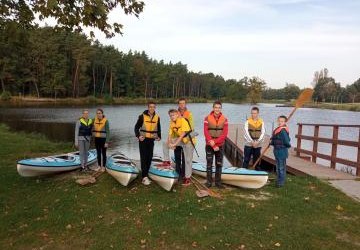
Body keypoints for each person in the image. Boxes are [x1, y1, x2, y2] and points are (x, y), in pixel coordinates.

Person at [163, 109, 195, 186]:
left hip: (188, 141)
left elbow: (182, 135)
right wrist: (170, 143)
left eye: (173, 115)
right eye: (170, 115)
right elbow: (170, 134)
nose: (172, 117)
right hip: (181, 141)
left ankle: (187, 178)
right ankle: (167, 161)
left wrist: (174, 144)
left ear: (177, 114)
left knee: (188, 160)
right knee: (165, 143)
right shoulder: (172, 122)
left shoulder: (183, 120)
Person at [134, 101, 161, 185]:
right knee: (144, 157)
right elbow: (136, 127)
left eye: (153, 107)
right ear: (148, 107)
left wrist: (159, 136)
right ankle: (144, 177)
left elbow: (159, 128)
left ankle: (146, 173)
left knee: (149, 157)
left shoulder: (157, 117)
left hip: (151, 140)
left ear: (155, 108)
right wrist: (138, 136)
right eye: (150, 107)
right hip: (143, 139)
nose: (152, 108)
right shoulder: (142, 116)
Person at [204, 101, 228, 188]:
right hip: (209, 145)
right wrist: (212, 144)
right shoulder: (207, 118)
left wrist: (216, 143)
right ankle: (209, 182)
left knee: (219, 164)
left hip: (220, 146)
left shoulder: (225, 119)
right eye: (216, 107)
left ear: (221, 108)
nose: (217, 109)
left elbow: (224, 134)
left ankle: (218, 183)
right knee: (209, 164)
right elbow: (206, 132)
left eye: (219, 107)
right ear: (213, 108)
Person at [270, 115, 291, 187]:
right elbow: (275, 138)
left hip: (282, 151)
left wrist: (288, 146)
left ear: (285, 122)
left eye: (282, 121)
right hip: (276, 150)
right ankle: (278, 180)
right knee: (278, 166)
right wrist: (272, 142)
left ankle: (281, 182)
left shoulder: (283, 130)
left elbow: (287, 141)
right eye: (279, 121)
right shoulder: (278, 129)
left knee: (281, 167)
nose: (280, 122)